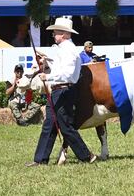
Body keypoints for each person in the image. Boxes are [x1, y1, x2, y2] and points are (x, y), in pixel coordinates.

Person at [28, 17, 97, 166]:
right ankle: (40, 160)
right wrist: (45, 63)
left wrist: (48, 76)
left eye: (56, 32)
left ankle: (87, 156)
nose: (53, 34)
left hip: (65, 90)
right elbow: (58, 64)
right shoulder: (62, 49)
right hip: (58, 90)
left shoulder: (69, 50)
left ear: (65, 34)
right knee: (49, 124)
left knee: (65, 126)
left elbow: (68, 73)